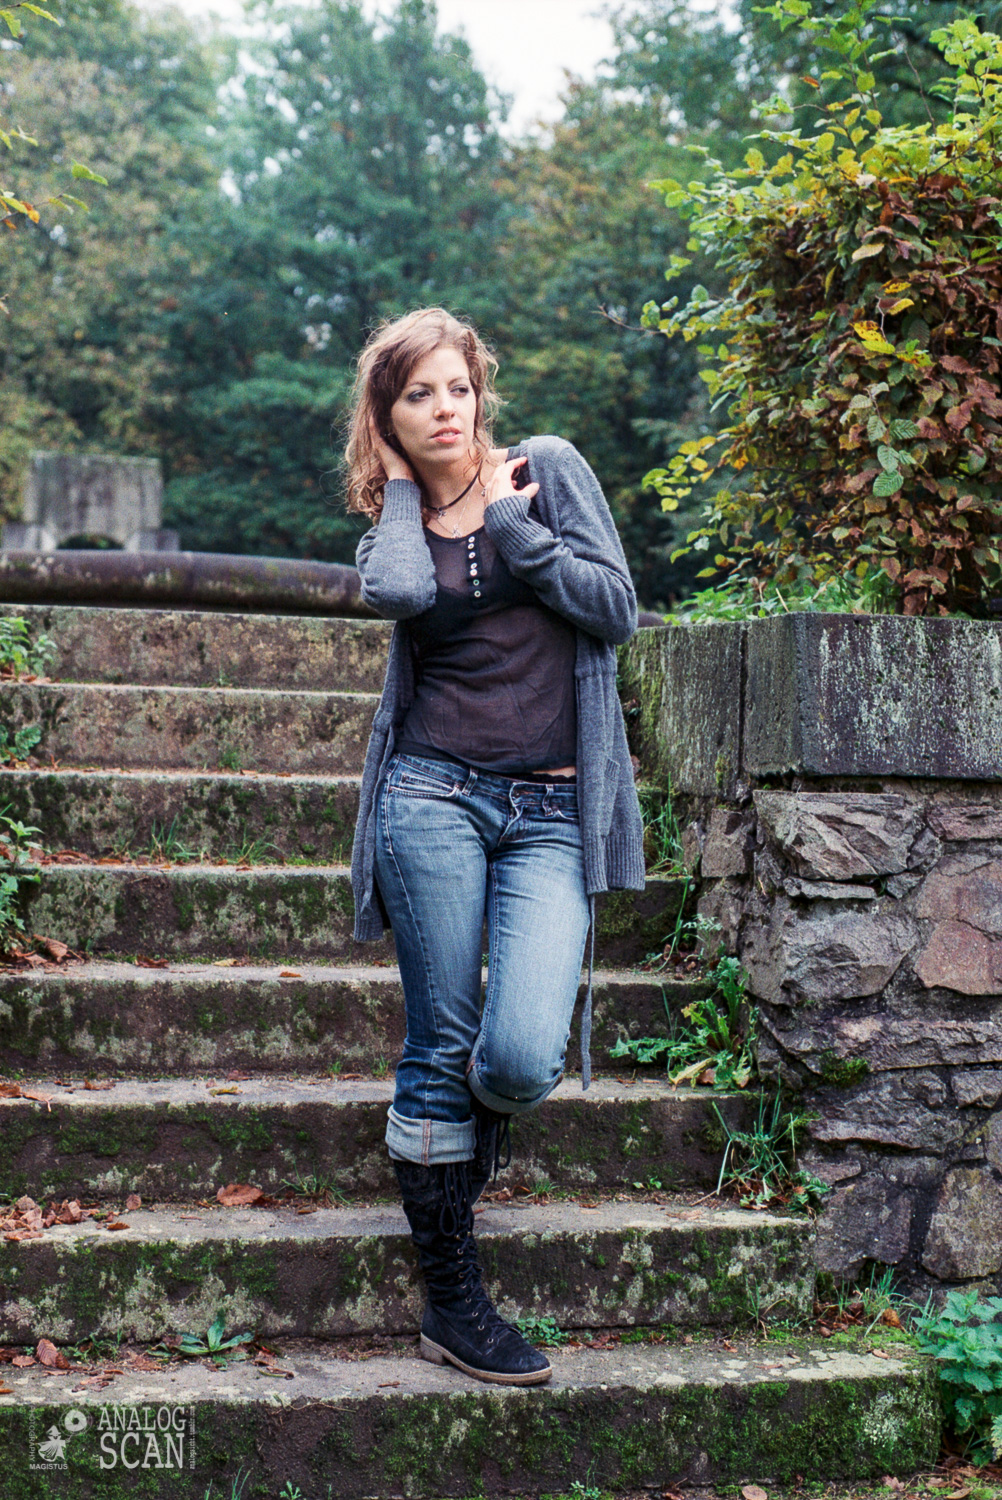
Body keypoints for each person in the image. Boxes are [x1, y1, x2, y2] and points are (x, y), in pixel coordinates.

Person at [347, 306, 645, 1387]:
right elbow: (399, 593)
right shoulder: (392, 517)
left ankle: (443, 1177)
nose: (442, 410)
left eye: (455, 389)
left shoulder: (545, 470)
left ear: (481, 394)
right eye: (415, 394)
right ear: (387, 415)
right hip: (429, 795)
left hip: (553, 812)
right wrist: (396, 488)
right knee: (440, 1041)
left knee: (520, 1054)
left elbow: (617, 610)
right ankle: (453, 1297)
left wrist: (518, 533)